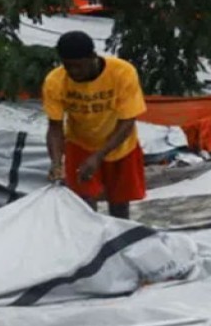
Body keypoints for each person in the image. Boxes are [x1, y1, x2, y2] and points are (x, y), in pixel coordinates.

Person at [43, 31, 147, 218]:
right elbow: (55, 127)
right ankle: (89, 240)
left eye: (78, 66)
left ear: (92, 57)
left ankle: (119, 241)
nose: (74, 72)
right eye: (68, 67)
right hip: (80, 144)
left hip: (120, 145)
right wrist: (56, 163)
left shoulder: (122, 73)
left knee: (119, 204)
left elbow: (127, 121)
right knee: (83, 204)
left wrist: (99, 156)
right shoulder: (54, 82)